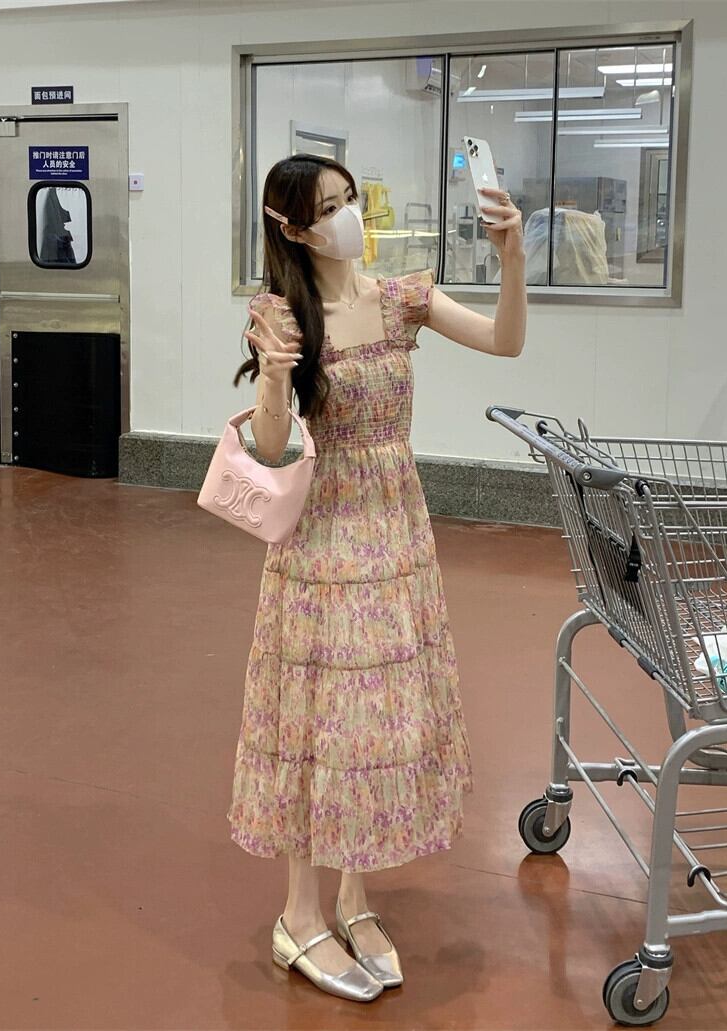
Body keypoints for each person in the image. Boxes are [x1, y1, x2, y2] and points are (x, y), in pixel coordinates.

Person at [228, 153, 526, 1003]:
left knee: (374, 725)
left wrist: (511, 258)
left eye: (349, 198)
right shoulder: (281, 315)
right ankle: (298, 913)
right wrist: (275, 376)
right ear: (292, 228)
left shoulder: (401, 300)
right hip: (322, 545)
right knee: (320, 721)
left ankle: (354, 898)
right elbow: (273, 446)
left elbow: (506, 340)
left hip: (396, 535)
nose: (348, 217)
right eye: (328, 207)